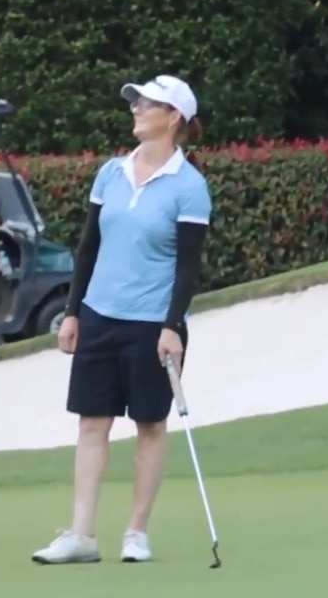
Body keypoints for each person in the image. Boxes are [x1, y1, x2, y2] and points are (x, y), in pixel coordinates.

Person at [31, 74, 212, 566]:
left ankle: (136, 532)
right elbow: (89, 246)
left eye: (146, 104)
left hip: (154, 324)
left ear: (173, 117)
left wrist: (173, 325)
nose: (135, 109)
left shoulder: (189, 187)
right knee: (93, 423)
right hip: (100, 316)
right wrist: (72, 312)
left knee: (150, 424)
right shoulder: (111, 173)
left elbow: (188, 266)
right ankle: (82, 535)